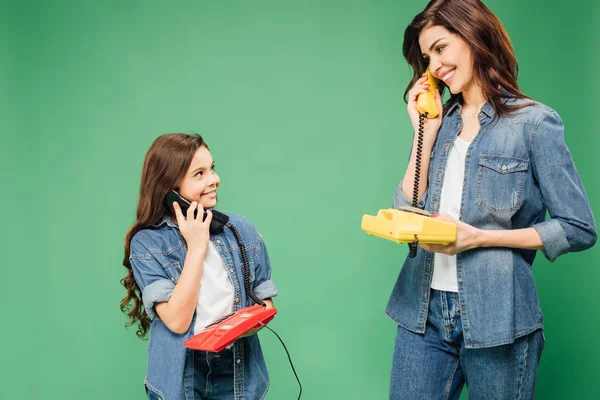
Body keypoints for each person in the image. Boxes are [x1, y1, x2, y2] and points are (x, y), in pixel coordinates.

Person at [387, 0, 597, 398]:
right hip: (421, 310)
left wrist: (481, 238)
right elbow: (406, 212)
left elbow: (579, 228)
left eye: (441, 48)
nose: (433, 67)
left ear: (473, 35)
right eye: (427, 57)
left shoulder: (534, 123)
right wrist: (423, 133)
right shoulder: (441, 122)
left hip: (498, 316)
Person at [120, 133, 277, 399]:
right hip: (180, 375)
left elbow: (266, 305)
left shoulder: (241, 230)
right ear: (170, 188)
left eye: (212, 169)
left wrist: (241, 326)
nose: (214, 179)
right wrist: (196, 246)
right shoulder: (147, 243)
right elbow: (178, 321)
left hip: (237, 369)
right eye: (199, 174)